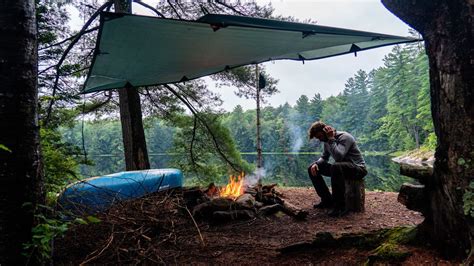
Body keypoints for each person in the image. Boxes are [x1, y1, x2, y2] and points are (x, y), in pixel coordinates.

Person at [307, 121, 367, 217]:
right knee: (311, 168)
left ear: (325, 131)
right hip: (341, 169)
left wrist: (331, 139)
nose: (320, 140)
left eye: (320, 137)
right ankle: (327, 200)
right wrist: (316, 163)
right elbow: (325, 156)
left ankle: (340, 206)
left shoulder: (344, 137)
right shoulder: (326, 141)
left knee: (336, 166)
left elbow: (339, 157)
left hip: (358, 169)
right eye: (318, 138)